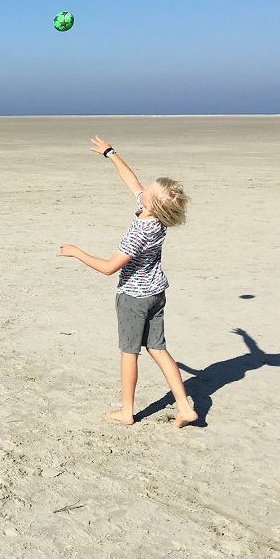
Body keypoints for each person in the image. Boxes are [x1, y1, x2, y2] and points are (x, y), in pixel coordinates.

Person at [57, 137, 198, 428]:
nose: (142, 189)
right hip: (156, 292)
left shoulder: (140, 230)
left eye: (148, 190)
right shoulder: (157, 216)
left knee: (129, 352)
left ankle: (127, 411)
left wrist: (76, 252)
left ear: (152, 202)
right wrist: (110, 153)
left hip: (134, 298)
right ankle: (184, 407)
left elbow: (109, 267)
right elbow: (131, 181)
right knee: (158, 348)